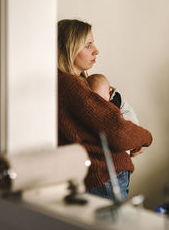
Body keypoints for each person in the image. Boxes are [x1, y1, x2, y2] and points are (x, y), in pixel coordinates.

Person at [57, 19, 152, 201]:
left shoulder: (68, 83)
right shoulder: (70, 85)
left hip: (93, 177)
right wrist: (146, 138)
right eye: (88, 45)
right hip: (103, 176)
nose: (96, 50)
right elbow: (118, 131)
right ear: (69, 49)